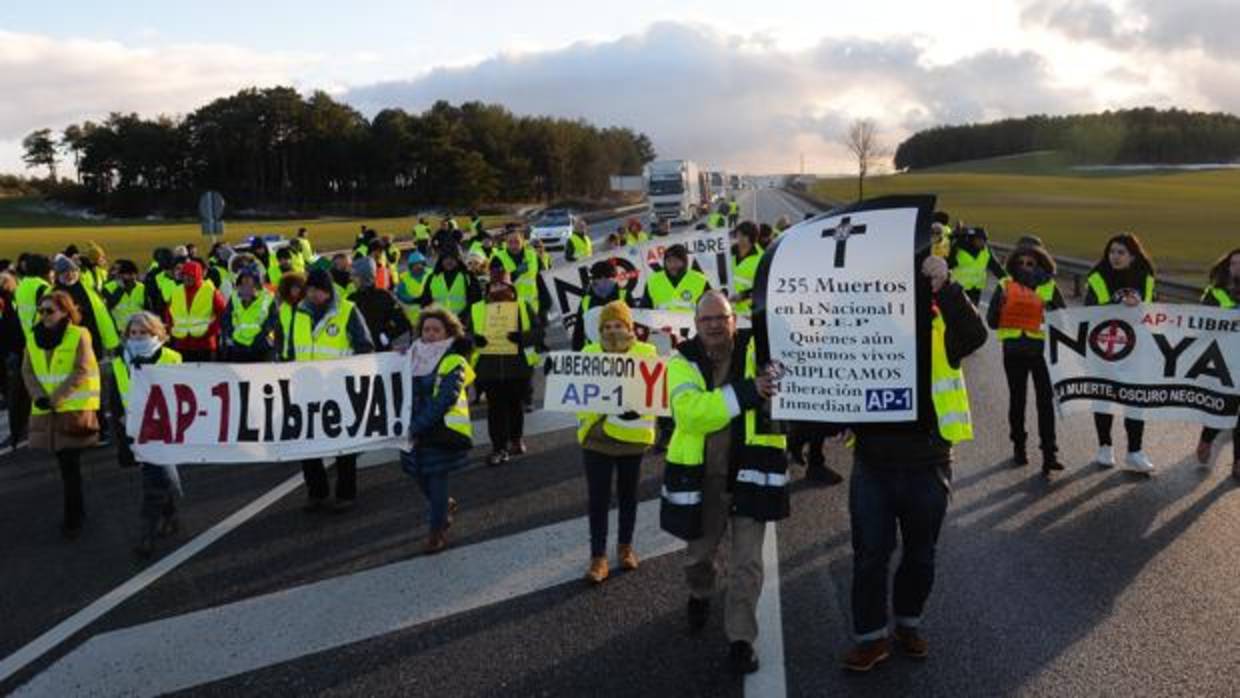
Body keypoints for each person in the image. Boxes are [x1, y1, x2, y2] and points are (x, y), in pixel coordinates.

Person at [837, 254, 987, 672]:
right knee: (870, 555)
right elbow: (833, 374)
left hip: (929, 464)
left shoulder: (942, 328)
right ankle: (870, 639)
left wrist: (948, 285)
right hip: (873, 465)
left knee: (921, 555)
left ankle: (908, 623)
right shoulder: (861, 331)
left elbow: (976, 335)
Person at [661, 290, 786, 675]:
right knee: (698, 557)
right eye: (707, 319)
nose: (715, 325)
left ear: (735, 319)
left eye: (722, 317)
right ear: (696, 325)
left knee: (747, 563)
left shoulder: (758, 348)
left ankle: (740, 639)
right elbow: (692, 415)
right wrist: (749, 391)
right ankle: (700, 594)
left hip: (752, 471)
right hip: (704, 479)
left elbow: (787, 373)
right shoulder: (681, 362)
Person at [577, 302, 655, 583]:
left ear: (630, 327)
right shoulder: (588, 354)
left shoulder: (647, 353)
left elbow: (654, 393)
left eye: (618, 325)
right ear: (599, 330)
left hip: (631, 437)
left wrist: (637, 406)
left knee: (627, 495)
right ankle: (598, 557)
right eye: (607, 327)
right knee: (597, 498)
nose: (613, 331)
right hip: (597, 438)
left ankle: (625, 547)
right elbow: (578, 397)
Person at [285, 269, 375, 511]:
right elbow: (292, 349)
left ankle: (346, 494)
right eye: (310, 289)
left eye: (319, 289)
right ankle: (317, 492)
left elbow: (365, 346)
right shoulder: (299, 312)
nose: (313, 294)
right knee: (307, 442)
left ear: (329, 290)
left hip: (338, 389)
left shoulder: (347, 310)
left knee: (343, 444)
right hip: (306, 388)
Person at [23, 291, 102, 538]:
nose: (44, 315)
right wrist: (39, 396)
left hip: (71, 411)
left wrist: (56, 397)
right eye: (41, 310)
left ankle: (73, 519)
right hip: (47, 412)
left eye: (50, 311)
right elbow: (28, 371)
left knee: (70, 468)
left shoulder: (79, 335)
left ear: (66, 312)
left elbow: (83, 369)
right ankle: (76, 514)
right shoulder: (32, 337)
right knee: (66, 468)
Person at [986, 237, 1066, 475]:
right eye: (1020, 262)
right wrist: (1000, 307)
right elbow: (991, 322)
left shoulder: (1049, 287)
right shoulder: (1004, 284)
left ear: (1040, 262)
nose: (1024, 267)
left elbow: (1063, 319)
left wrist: (1048, 310)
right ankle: (1019, 446)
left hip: (1041, 352)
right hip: (1013, 351)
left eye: (1030, 263)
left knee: (1045, 403)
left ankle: (1049, 453)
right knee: (1017, 399)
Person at [400, 307, 474, 554]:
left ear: (447, 332)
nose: (430, 334)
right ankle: (443, 507)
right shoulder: (410, 356)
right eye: (426, 329)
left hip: (439, 432)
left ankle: (436, 533)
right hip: (412, 431)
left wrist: (417, 426)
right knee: (419, 476)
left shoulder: (454, 360)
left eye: (436, 330)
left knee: (436, 480)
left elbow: (445, 400)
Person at [109, 312, 184, 556]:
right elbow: (115, 397)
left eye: (144, 332)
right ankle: (168, 517)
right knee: (158, 477)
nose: (138, 337)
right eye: (133, 333)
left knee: (155, 480)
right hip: (135, 428)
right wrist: (122, 421)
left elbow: (185, 393)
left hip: (166, 428)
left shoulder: (172, 357)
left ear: (156, 333)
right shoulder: (120, 361)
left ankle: (146, 535)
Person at [1084, 233, 1157, 474]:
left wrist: (1141, 305)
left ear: (1133, 256)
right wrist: (1117, 307)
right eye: (1112, 251)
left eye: (1121, 252)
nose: (1115, 256)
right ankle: (1105, 446)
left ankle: (1135, 452)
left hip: (1136, 350)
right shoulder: (1097, 278)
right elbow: (1087, 313)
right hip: (1105, 349)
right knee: (1104, 396)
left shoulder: (1145, 278)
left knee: (1135, 399)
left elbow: (1154, 312)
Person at [470, 258, 541, 466]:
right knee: (496, 409)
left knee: (515, 406)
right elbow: (464, 335)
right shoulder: (477, 309)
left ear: (511, 286)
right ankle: (499, 448)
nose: (498, 288)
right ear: (489, 287)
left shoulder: (522, 307)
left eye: (503, 284)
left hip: (517, 367)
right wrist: (476, 340)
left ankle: (516, 439)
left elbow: (538, 332)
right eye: (495, 285)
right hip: (490, 368)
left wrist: (522, 337)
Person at [1195, 247, 1240, 478]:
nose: (1237, 268)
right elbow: (1200, 324)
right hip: (1224, 364)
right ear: (1227, 266)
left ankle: (1238, 462)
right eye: (1234, 264)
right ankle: (1206, 439)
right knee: (1223, 407)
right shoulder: (1216, 293)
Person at [8, 254, 53, 450]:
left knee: (32, 386)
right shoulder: (44, 288)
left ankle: (24, 430)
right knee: (49, 387)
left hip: (29, 340)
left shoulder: (22, 286)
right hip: (45, 341)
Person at [166, 259, 226, 362]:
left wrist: (210, 331)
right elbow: (169, 313)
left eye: (191, 275)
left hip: (204, 344)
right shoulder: (176, 291)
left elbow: (223, 313)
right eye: (185, 275)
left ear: (198, 275)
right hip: (181, 343)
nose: (187, 278)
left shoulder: (210, 290)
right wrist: (172, 330)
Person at [350, 257, 413, 352]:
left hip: (381, 352)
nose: (351, 279)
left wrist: (386, 335)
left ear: (364, 276)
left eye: (355, 275)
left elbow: (403, 323)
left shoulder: (384, 297)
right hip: (359, 354)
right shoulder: (351, 299)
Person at [220, 265, 278, 362]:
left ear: (256, 282)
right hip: (238, 348)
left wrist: (262, 338)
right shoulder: (234, 297)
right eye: (243, 278)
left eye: (249, 278)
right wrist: (232, 335)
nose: (246, 282)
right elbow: (226, 319)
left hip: (261, 348)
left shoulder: (268, 298)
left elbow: (274, 322)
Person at [571, 261, 627, 351]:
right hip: (616, 352)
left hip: (599, 354)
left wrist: (577, 354)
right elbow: (579, 332)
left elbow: (578, 333)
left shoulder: (586, 301)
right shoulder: (624, 295)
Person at [638, 244, 710, 312]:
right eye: (669, 261)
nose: (672, 265)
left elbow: (712, 307)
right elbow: (644, 310)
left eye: (676, 261)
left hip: (691, 324)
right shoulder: (653, 281)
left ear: (684, 262)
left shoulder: (700, 280)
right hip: (661, 324)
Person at [420, 243, 481, 321]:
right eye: (446, 258)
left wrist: (467, 317)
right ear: (441, 260)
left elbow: (476, 300)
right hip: (440, 323)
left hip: (463, 322)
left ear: (458, 259)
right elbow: (425, 301)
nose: (449, 261)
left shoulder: (468, 276)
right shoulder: (432, 278)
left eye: (452, 258)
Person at [947, 226, 1006, 305]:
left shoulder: (986, 251)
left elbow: (996, 268)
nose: (981, 242)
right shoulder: (959, 248)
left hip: (975, 290)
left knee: (972, 315)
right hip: (957, 288)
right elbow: (948, 264)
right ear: (972, 239)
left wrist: (1008, 282)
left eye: (983, 240)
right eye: (978, 239)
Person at [104, 260, 147, 336]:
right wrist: (120, 289)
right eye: (128, 275)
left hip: (138, 330)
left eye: (133, 275)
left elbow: (147, 309)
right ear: (120, 276)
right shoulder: (108, 288)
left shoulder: (142, 288)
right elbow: (109, 306)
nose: (132, 278)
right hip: (118, 332)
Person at [730, 221, 763, 316]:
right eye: (737, 235)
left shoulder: (761, 259)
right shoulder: (728, 253)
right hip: (728, 311)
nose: (738, 239)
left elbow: (762, 287)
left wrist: (743, 295)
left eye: (742, 236)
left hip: (748, 313)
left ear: (751, 238)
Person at [395, 251, 430, 327]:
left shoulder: (431, 273)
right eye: (415, 264)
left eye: (420, 263)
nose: (418, 266)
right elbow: (401, 295)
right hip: (414, 319)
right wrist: (415, 300)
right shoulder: (404, 278)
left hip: (432, 316)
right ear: (410, 266)